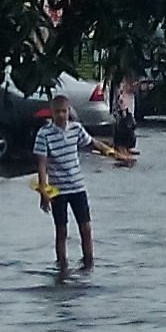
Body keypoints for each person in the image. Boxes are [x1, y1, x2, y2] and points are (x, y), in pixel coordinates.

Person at [35, 94, 125, 274]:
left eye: (64, 111)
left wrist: (114, 153)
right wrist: (43, 191)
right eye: (57, 112)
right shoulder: (44, 134)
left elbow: (92, 143)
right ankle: (62, 266)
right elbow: (42, 165)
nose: (61, 115)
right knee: (61, 230)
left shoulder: (76, 129)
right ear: (52, 113)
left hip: (77, 187)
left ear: (69, 111)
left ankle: (88, 264)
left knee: (86, 227)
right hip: (57, 190)